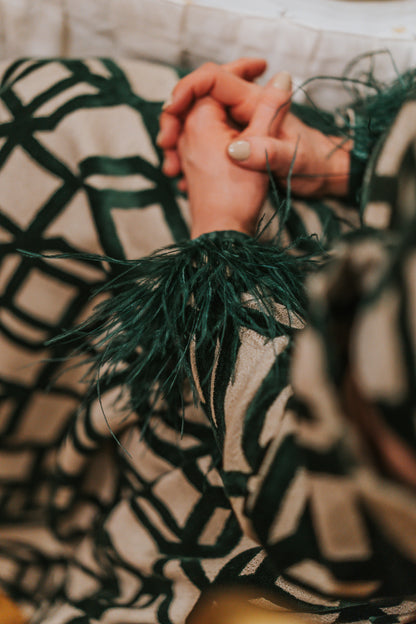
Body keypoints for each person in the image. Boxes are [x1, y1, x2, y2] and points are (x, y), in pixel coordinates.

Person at [0, 55, 416, 624]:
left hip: (332, 524)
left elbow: (330, 514)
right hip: (382, 276)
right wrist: (352, 166)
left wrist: (220, 245)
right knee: (61, 123)